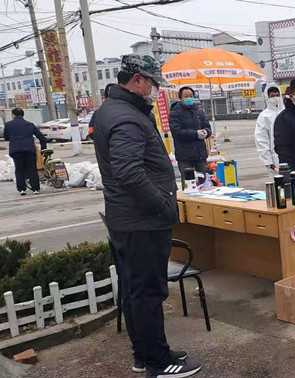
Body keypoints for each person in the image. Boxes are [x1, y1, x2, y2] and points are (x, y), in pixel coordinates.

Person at [92, 55, 201, 378]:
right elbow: (128, 172)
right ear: (137, 80)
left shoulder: (114, 111)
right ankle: (158, 361)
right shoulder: (126, 118)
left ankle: (144, 353)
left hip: (128, 220)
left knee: (134, 289)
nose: (156, 91)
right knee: (149, 293)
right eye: (153, 84)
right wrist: (163, 206)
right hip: (142, 221)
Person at [169, 86, 212, 181]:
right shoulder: (175, 113)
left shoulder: (198, 111)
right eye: (186, 96)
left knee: (205, 182)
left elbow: (207, 127)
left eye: (191, 96)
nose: (189, 98)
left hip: (200, 155)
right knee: (188, 183)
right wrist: (195, 134)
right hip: (184, 156)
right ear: (180, 98)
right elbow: (176, 132)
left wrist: (206, 132)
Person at [3, 108, 46, 195]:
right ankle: (35, 189)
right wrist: (43, 149)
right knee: (32, 169)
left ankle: (22, 189)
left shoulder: (8, 125)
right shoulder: (29, 124)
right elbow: (41, 137)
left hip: (16, 151)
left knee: (19, 170)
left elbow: (6, 137)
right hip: (29, 150)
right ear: (23, 115)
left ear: (13, 115)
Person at [255, 83, 283, 176]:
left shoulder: (287, 112)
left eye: (277, 95)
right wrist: (268, 161)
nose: (275, 98)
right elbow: (261, 139)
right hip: (275, 160)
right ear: (267, 97)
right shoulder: (264, 116)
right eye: (272, 96)